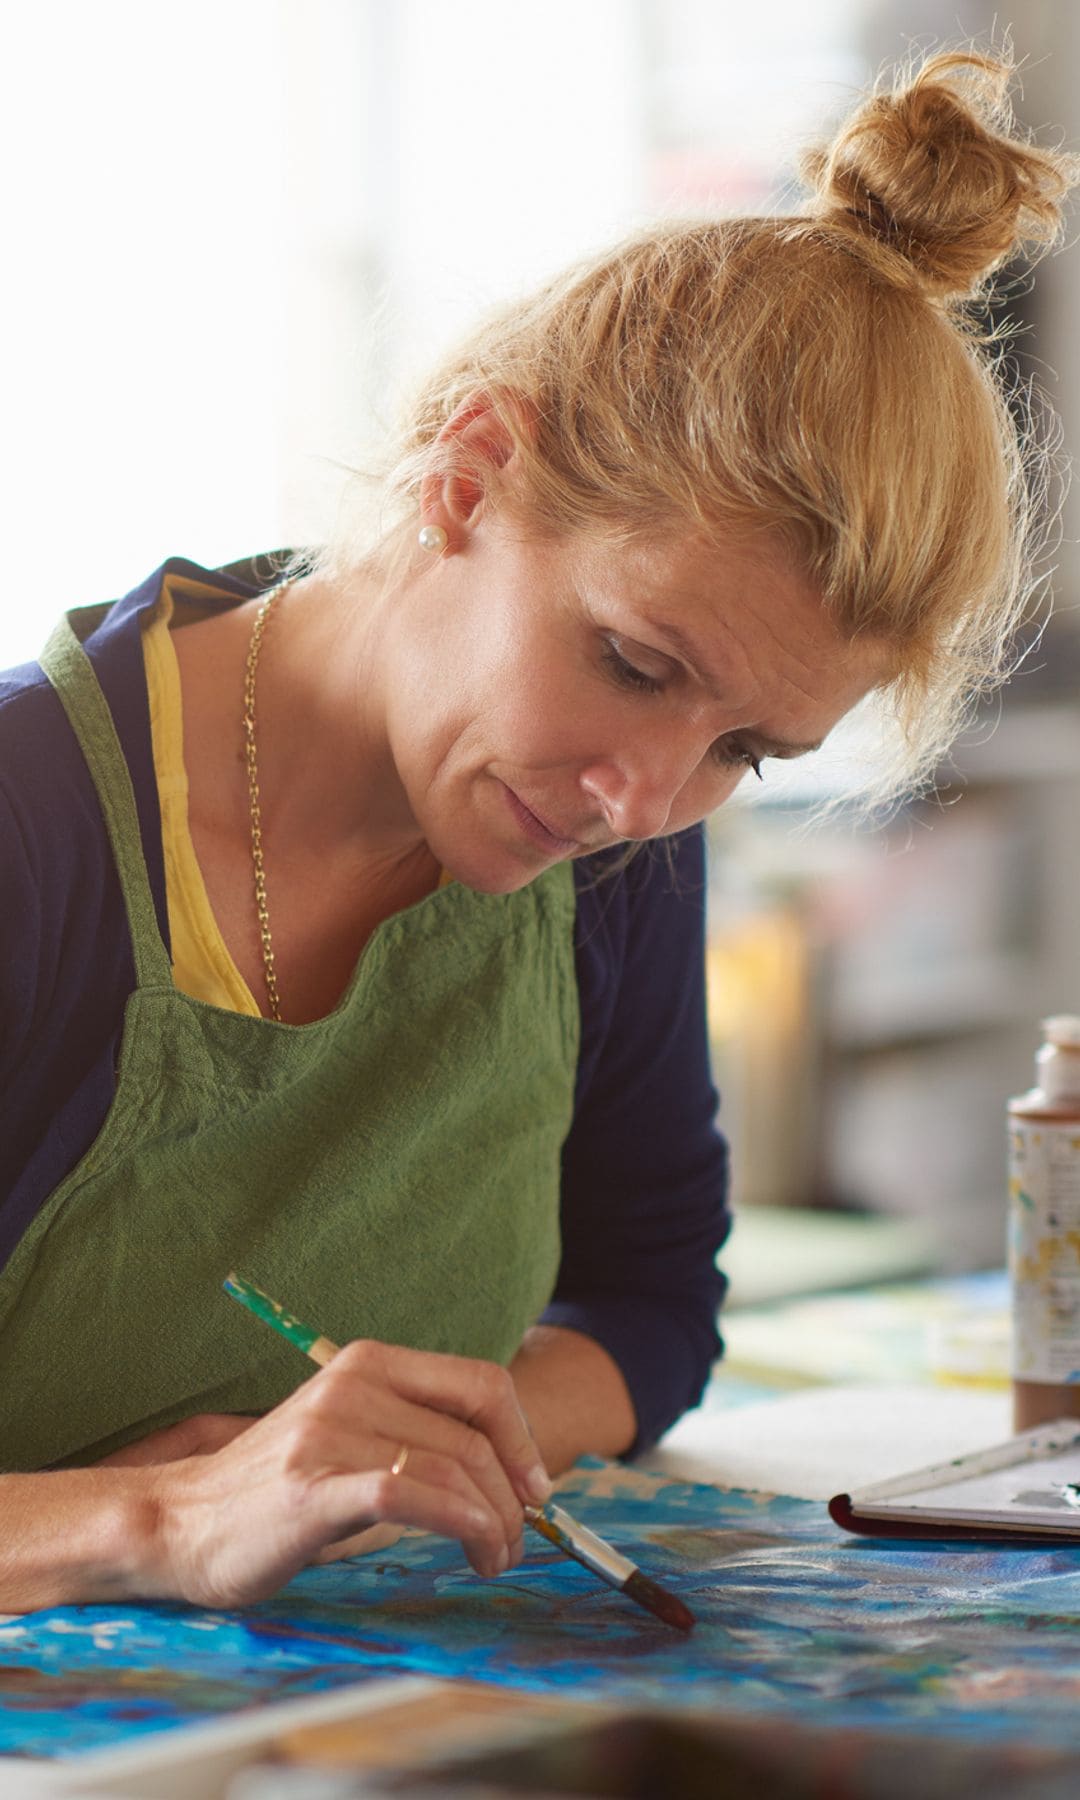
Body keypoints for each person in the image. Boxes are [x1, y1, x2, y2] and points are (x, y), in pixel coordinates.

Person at [0, 49, 1074, 1613]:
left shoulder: (603, 842)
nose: (642, 800)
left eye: (747, 754)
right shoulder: (35, 839)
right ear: (471, 470)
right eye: (633, 664)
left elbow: (647, 1305)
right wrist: (157, 1515)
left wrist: (426, 1450)